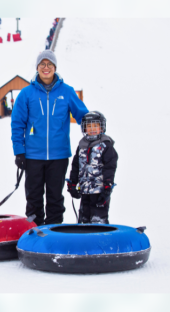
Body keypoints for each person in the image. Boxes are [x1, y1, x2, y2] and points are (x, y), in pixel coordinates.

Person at [10, 50, 89, 226]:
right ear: (37, 67)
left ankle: (53, 233)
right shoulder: (26, 93)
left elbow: (82, 116)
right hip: (32, 156)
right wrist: (19, 151)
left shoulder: (67, 92)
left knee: (55, 197)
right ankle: (34, 231)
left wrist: (94, 132)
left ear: (55, 67)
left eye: (49, 65)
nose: (46, 68)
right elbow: (17, 124)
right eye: (42, 64)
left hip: (59, 155)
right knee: (34, 196)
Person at [66, 111, 118, 224]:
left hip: (99, 191)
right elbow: (76, 165)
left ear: (102, 127)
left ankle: (101, 239)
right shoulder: (81, 145)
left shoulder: (106, 145)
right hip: (85, 190)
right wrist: (73, 183)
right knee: (84, 219)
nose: (92, 129)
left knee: (98, 219)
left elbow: (110, 166)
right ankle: (83, 238)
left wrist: (107, 185)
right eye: (89, 126)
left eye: (95, 126)